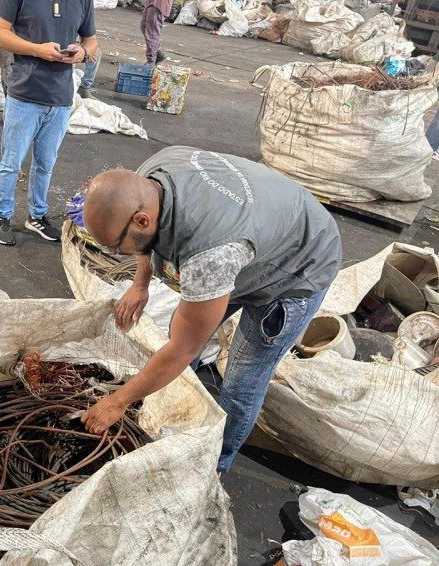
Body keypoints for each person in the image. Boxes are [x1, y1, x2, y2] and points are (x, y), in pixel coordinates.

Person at [79, 147, 342, 472]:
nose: (118, 252)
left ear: (141, 219)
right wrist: (139, 284)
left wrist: (118, 402)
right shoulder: (151, 176)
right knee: (183, 330)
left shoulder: (211, 256)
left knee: (241, 384)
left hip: (295, 269)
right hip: (255, 238)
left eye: (116, 246)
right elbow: (145, 241)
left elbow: (182, 349)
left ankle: (215, 464)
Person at [0, 0, 98, 246]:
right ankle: (2, 215)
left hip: (60, 98)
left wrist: (82, 52)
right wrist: (37, 50)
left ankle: (36, 215)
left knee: (45, 164)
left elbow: (91, 39)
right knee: (11, 163)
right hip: (25, 93)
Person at [141, 0, 172, 64]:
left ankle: (151, 61)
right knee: (144, 26)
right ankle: (158, 52)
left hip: (158, 3)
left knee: (152, 32)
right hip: (151, 3)